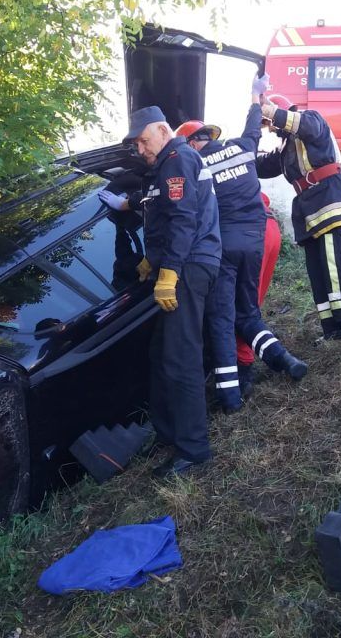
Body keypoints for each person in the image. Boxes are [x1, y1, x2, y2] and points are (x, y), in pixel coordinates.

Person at [174, 76, 308, 414]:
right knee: (248, 312)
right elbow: (253, 122)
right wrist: (255, 94)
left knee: (222, 319)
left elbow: (181, 209)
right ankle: (284, 360)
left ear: (191, 145)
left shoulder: (197, 168)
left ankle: (230, 397)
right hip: (256, 241)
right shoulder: (241, 146)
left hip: (225, 248)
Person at [124, 105, 221, 478]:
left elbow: (183, 220)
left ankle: (194, 450)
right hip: (183, 263)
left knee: (181, 359)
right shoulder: (165, 165)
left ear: (163, 131)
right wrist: (153, 259)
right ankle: (169, 433)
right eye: (136, 144)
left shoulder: (178, 160)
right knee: (163, 355)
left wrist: (168, 274)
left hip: (190, 268)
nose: (141, 149)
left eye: (144, 141)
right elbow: (164, 218)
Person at [255, 95, 341, 340]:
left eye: (270, 121)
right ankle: (332, 327)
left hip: (329, 200)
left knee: (337, 264)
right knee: (318, 269)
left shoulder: (311, 119)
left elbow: (306, 126)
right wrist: (252, 133)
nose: (270, 127)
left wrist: (269, 111)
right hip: (309, 209)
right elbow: (260, 166)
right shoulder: (284, 148)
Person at [234, 192, 282, 392]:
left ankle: (244, 368)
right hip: (267, 225)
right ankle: (270, 353)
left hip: (247, 234)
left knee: (241, 307)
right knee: (251, 303)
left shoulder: (187, 166)